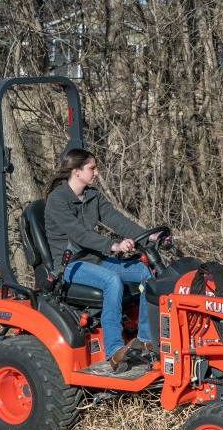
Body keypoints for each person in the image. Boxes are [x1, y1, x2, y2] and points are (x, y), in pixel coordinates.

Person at [43, 148, 155, 370]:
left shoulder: (93, 196)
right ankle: (114, 351)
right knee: (112, 280)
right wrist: (112, 245)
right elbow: (78, 234)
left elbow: (117, 220)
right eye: (91, 168)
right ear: (76, 171)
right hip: (69, 265)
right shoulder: (57, 200)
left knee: (145, 273)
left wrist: (149, 235)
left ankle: (145, 339)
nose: (96, 172)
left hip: (94, 259)